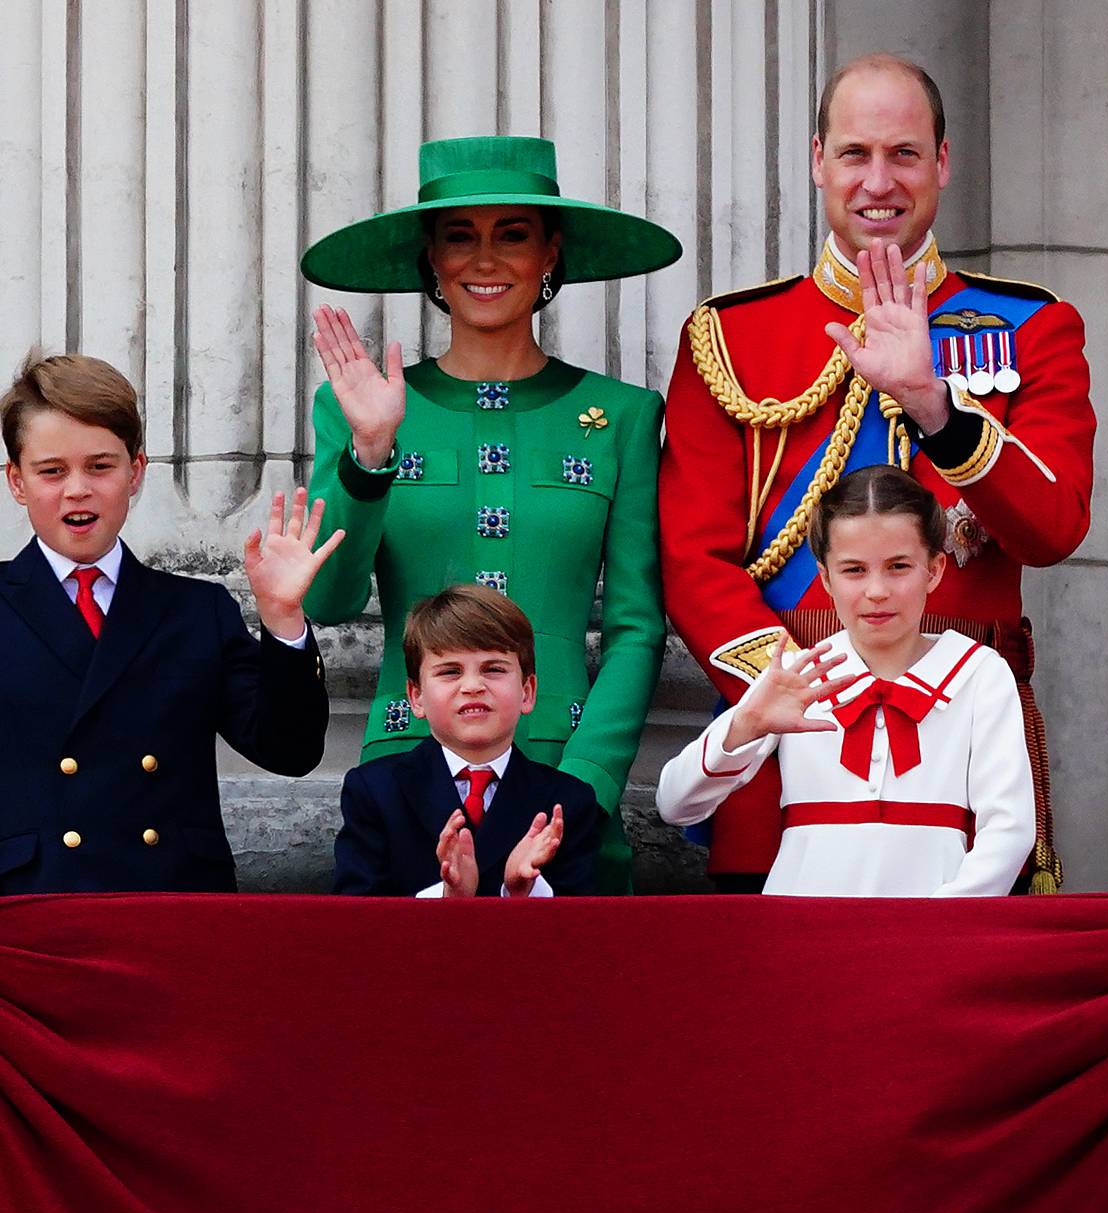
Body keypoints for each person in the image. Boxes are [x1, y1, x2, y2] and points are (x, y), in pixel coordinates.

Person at [658, 53, 1093, 893]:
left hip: (966, 748)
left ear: (943, 162)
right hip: (791, 750)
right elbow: (692, 562)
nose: (878, 181)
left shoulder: (1033, 325)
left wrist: (939, 409)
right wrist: (799, 700)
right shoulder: (732, 336)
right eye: (855, 154)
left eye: (903, 153)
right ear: (818, 160)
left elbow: (1055, 526)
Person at [300, 135, 680, 893]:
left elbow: (639, 626)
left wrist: (586, 785)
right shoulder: (360, 409)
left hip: (566, 778)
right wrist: (370, 450)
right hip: (406, 785)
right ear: (430, 259)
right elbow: (328, 599)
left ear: (551, 253)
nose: (484, 260)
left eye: (513, 234)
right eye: (458, 237)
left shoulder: (624, 415)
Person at [0, 353, 336, 893]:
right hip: (33, 907)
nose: (77, 489)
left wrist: (282, 618)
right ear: (17, 482)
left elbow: (290, 751)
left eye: (100, 466)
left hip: (169, 901)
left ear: (135, 471)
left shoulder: (197, 611)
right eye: (52, 471)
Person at [656, 465, 1035, 896]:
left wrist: (940, 924)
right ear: (825, 578)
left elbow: (1010, 829)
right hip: (802, 935)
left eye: (898, 567)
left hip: (932, 935)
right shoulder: (799, 674)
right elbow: (675, 803)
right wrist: (746, 723)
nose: (877, 590)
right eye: (854, 570)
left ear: (934, 570)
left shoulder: (980, 672)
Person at [333, 584, 602, 897]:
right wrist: (448, 898)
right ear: (416, 697)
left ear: (527, 692)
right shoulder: (375, 791)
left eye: (493, 669)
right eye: (450, 671)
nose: (473, 685)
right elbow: (354, 922)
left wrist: (519, 892)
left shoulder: (567, 802)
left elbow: (580, 930)